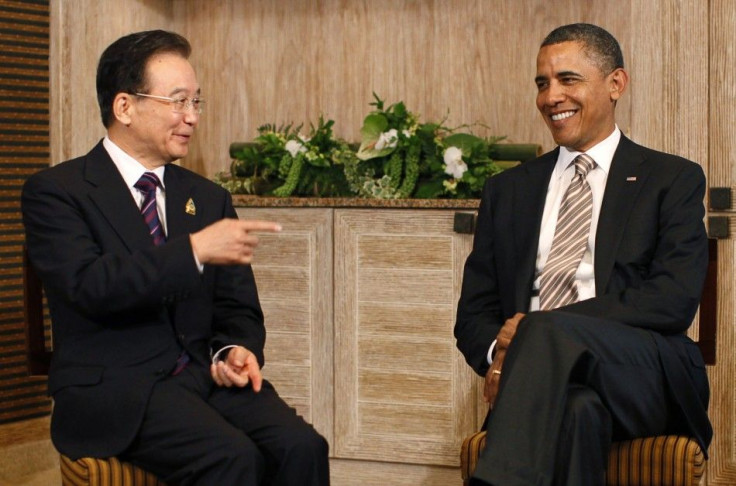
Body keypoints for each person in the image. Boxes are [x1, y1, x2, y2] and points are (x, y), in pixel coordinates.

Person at [21, 30, 329, 485]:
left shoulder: (206, 197)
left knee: (304, 447)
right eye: (179, 101)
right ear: (124, 106)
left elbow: (237, 307)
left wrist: (234, 349)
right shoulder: (57, 192)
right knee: (234, 458)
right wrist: (195, 250)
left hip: (203, 378)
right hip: (116, 390)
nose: (191, 118)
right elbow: (91, 284)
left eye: (197, 103)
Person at [455, 23, 712, 485]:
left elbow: (671, 301)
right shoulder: (508, 191)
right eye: (542, 83)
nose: (551, 96)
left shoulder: (671, 179)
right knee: (577, 410)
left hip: (640, 375)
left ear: (616, 84)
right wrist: (503, 353)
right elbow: (474, 314)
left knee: (546, 332)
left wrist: (537, 333)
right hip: (546, 387)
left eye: (567, 80)